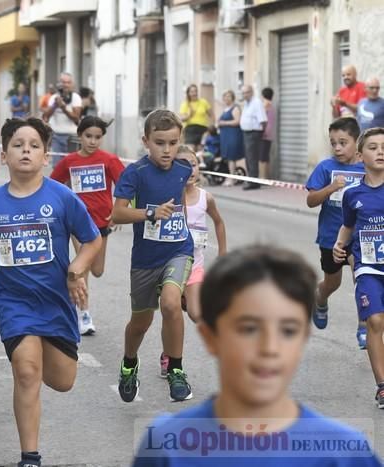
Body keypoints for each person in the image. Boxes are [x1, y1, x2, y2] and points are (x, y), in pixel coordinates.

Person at [132, 246, 381, 466]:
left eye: (288, 331)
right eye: (249, 329)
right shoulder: (167, 447)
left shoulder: (345, 453)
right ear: (210, 337)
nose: (269, 348)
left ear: (304, 338)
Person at [0, 117, 102, 467]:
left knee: (62, 380)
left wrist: (77, 269)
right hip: (14, 302)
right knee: (26, 370)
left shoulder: (62, 198)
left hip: (55, 302)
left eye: (33, 145)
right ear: (5, 154)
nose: (25, 150)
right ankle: (30, 456)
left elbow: (92, 239)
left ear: (46, 156)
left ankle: (43, 345)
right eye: (17, 144)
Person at [112, 109, 195, 403]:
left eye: (173, 143)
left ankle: (176, 369)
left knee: (172, 302)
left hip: (179, 250)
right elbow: (117, 213)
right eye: (160, 143)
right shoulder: (135, 173)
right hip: (146, 260)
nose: (167, 150)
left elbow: (186, 202)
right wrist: (150, 213)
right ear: (146, 141)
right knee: (140, 323)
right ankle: (129, 363)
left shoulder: (184, 169)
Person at [50, 116, 125, 335]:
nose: (92, 141)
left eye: (97, 137)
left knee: (97, 270)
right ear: (79, 136)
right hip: (78, 222)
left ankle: (74, 288)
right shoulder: (69, 161)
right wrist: (61, 209)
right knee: (82, 269)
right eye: (88, 136)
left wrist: (118, 210)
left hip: (102, 222)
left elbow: (126, 185)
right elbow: (54, 184)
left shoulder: (109, 160)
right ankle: (83, 314)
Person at [305, 117, 366, 348]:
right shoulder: (326, 167)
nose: (338, 148)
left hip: (360, 236)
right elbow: (311, 200)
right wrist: (331, 188)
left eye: (343, 142)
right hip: (331, 237)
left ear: (356, 142)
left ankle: (364, 325)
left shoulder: (365, 167)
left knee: (362, 278)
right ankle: (320, 298)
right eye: (334, 143)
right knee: (333, 283)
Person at [335, 126, 384, 407]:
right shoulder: (352, 195)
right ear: (360, 155)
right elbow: (348, 225)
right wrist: (340, 245)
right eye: (374, 147)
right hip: (367, 267)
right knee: (376, 320)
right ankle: (382, 385)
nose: (381, 152)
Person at [174, 146, 226, 324]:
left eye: (193, 164)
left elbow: (219, 222)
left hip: (195, 264)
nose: (190, 170)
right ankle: (183, 295)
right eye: (183, 165)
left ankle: (189, 296)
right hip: (170, 264)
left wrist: (222, 253)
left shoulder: (206, 198)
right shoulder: (168, 197)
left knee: (196, 315)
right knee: (169, 309)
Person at [43, 72, 82, 167]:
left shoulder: (76, 98)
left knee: (72, 166)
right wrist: (55, 105)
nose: (66, 85)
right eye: (63, 82)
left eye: (68, 82)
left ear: (72, 84)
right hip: (56, 136)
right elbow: (46, 116)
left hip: (72, 137)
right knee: (57, 166)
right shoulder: (53, 98)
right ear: (59, 83)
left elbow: (76, 118)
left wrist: (64, 108)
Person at [239, 84, 267, 190]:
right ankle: (251, 179)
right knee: (248, 157)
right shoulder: (247, 103)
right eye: (243, 93)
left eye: (246, 92)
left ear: (251, 92)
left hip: (254, 133)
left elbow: (263, 120)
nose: (244, 95)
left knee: (252, 158)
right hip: (246, 133)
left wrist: (259, 133)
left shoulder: (257, 102)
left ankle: (254, 182)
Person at [217, 90, 245, 186]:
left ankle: (232, 178)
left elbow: (237, 121)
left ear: (232, 97)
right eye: (225, 96)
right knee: (228, 157)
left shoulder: (235, 108)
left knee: (231, 156)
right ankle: (232, 176)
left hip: (233, 135)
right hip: (225, 135)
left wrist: (224, 123)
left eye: (228, 96)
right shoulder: (225, 109)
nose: (226, 98)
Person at [178, 84, 212, 153]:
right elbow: (181, 118)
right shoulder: (185, 104)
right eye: (192, 91)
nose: (194, 93)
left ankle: (200, 164)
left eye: (195, 91)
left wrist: (211, 127)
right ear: (188, 93)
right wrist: (189, 115)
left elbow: (211, 115)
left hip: (203, 129)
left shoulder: (203, 102)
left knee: (200, 151)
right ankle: (191, 163)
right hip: (190, 129)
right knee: (191, 150)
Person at [260, 87, 276, 179]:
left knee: (262, 158)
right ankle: (267, 176)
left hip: (264, 133)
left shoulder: (265, 105)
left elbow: (262, 118)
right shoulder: (271, 105)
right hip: (269, 133)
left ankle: (263, 178)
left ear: (263, 95)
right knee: (266, 157)